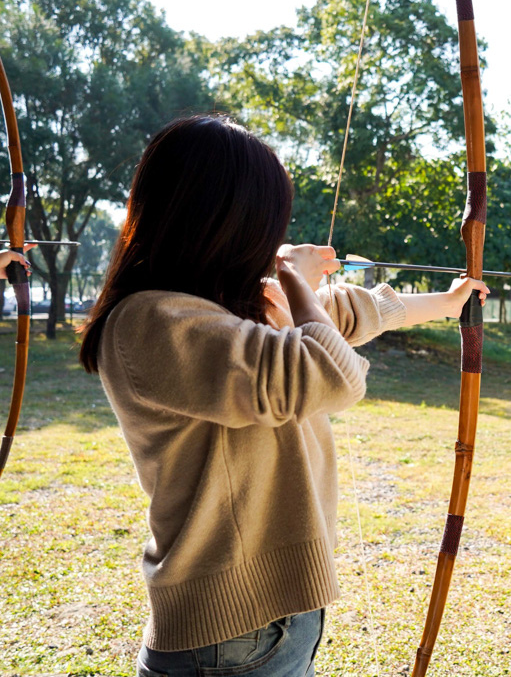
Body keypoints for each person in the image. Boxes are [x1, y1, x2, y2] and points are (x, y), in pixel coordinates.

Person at [77, 115, 488, 677]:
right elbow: (330, 373)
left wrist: (446, 301)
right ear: (222, 221)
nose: (276, 235)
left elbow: (348, 311)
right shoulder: (153, 322)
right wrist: (295, 280)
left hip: (268, 621)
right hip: (228, 633)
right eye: (268, 220)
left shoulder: (227, 309)